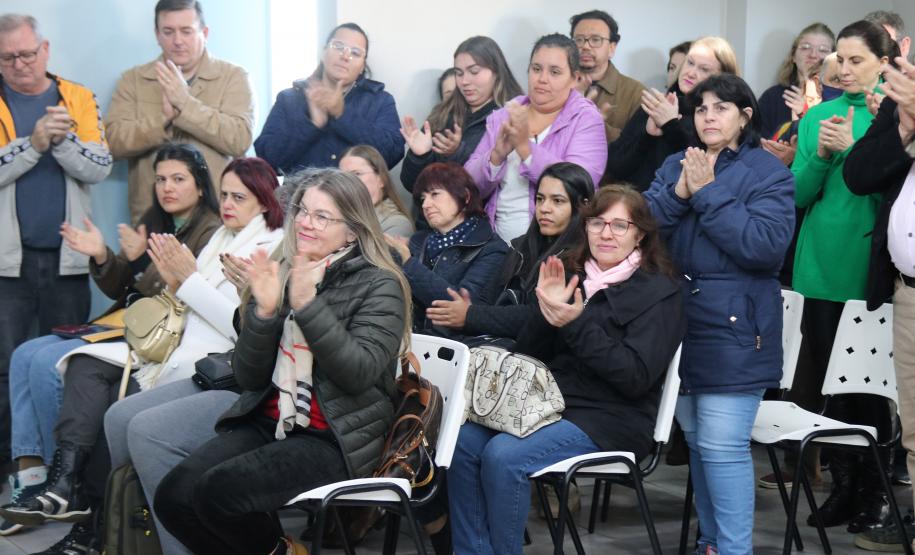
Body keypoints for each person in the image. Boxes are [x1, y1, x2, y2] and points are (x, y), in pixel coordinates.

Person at [153, 168, 410, 555]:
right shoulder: (287, 267)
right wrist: (265, 313)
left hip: (335, 438)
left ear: (354, 231)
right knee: (173, 496)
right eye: (303, 211)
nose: (305, 223)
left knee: (215, 494)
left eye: (322, 217)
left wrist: (307, 306)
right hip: (273, 421)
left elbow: (357, 375)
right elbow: (249, 375)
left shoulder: (380, 283)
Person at [0, 143, 222, 550]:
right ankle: (36, 475)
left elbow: (171, 296)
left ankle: (67, 479)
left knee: (54, 360)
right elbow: (127, 290)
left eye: (178, 179)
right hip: (127, 322)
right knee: (24, 354)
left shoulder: (209, 229)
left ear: (201, 186)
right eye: (160, 179)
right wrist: (105, 255)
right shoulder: (159, 222)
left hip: (155, 335)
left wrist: (138, 265)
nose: (167, 188)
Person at [449, 184, 684, 555]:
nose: (606, 234)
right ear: (585, 227)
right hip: (548, 404)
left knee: (503, 455)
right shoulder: (569, 273)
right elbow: (528, 356)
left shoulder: (660, 293)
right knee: (462, 442)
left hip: (612, 417)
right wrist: (546, 312)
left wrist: (574, 323)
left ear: (639, 234)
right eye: (597, 223)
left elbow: (635, 378)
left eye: (620, 225)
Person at [99, 156, 285, 555]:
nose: (228, 204)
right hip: (194, 364)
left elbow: (242, 329)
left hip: (236, 376)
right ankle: (130, 524)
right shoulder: (222, 238)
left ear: (266, 202)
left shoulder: (269, 247)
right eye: (224, 195)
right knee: (117, 417)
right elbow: (188, 308)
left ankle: (175, 545)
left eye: (240, 196)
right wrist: (178, 284)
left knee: (144, 429)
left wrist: (189, 282)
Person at [644, 73, 795, 553]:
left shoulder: (768, 171)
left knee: (723, 447)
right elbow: (644, 232)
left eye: (721, 107)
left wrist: (707, 192)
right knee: (699, 445)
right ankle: (711, 543)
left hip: (737, 326)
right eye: (701, 107)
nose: (708, 116)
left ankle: (733, 549)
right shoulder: (675, 164)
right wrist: (681, 194)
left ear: (745, 116)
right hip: (679, 323)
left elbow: (763, 247)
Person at [791, 20, 899, 534]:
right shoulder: (819, 116)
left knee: (868, 392)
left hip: (867, 269)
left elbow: (888, 191)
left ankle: (876, 492)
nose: (846, 68)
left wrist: (856, 148)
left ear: (885, 61)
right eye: (841, 59)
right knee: (826, 393)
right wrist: (823, 154)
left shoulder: (893, 116)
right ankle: (842, 486)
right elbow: (797, 194)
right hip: (818, 267)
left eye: (858, 60)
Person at [0, 11, 111, 512]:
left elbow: (100, 166)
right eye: (8, 57)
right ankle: (16, 471)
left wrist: (60, 141)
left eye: (27, 53)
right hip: (7, 265)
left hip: (67, 261)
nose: (20, 64)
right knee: (5, 369)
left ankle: (62, 478)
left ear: (45, 50)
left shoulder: (78, 98)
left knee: (64, 369)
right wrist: (33, 143)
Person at [844, 56, 915, 554]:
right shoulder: (903, 100)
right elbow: (858, 173)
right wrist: (904, 128)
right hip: (908, 291)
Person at [106, 0, 254, 224]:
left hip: (215, 220)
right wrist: (162, 120)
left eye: (186, 31)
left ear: (204, 32)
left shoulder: (234, 77)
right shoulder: (133, 81)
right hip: (151, 220)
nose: (177, 41)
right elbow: (111, 142)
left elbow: (240, 139)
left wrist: (185, 104)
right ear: (157, 34)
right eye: (168, 32)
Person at [426, 162, 592, 342]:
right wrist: (469, 310)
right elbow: (489, 300)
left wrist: (471, 315)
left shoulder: (580, 258)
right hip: (494, 345)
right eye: (540, 199)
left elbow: (536, 316)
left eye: (557, 201)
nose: (544, 208)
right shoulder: (520, 247)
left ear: (581, 206)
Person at [465, 33, 606, 242]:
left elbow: (580, 185)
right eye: (536, 69)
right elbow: (467, 185)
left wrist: (525, 149)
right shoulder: (506, 114)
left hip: (555, 245)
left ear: (575, 79)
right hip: (494, 245)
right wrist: (496, 156)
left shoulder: (585, 118)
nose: (542, 79)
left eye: (555, 72)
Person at [255, 22, 404, 175]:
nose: (345, 56)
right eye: (338, 47)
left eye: (355, 53)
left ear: (362, 66)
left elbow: (391, 156)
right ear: (323, 52)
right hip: (299, 195)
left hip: (355, 197)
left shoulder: (380, 101)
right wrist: (312, 125)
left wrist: (342, 115)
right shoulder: (289, 99)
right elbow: (267, 159)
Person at [386, 162, 508, 335]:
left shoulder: (491, 249)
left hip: (453, 349)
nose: (426, 205)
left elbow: (460, 308)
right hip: (407, 341)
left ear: (465, 197)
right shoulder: (418, 242)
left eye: (435, 194)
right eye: (423, 198)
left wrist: (407, 263)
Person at [605, 36, 739, 192]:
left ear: (722, 78)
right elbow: (616, 166)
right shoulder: (658, 104)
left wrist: (670, 125)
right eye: (690, 63)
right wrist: (647, 135)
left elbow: (709, 171)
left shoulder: (723, 118)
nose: (691, 73)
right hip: (635, 205)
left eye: (704, 69)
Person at [400, 36, 523, 194]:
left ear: (496, 72)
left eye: (474, 71)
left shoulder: (510, 115)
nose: (464, 81)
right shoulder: (443, 113)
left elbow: (483, 185)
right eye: (459, 73)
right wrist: (420, 156)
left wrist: (457, 153)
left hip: (481, 216)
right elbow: (411, 185)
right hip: (432, 215)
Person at [569, 10, 645, 144]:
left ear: (612, 48)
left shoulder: (636, 93)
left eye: (595, 40)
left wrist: (595, 124)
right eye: (579, 40)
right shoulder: (558, 84)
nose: (585, 46)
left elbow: (636, 148)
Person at [758, 23, 835, 140]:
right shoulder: (771, 97)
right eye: (805, 47)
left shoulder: (839, 99)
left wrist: (805, 112)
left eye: (823, 50)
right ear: (793, 56)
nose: (813, 55)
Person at [340, 144, 413, 237]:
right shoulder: (335, 217)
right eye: (343, 176)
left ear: (381, 179)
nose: (348, 181)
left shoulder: (397, 224)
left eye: (357, 174)